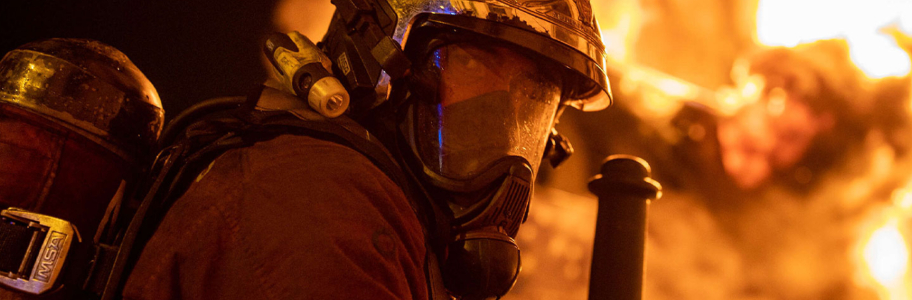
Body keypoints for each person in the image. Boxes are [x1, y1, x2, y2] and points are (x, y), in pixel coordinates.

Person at [121, 0, 611, 300]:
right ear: (374, 53)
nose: (501, 114)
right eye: (479, 68)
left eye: (531, 97)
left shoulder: (390, 209)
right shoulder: (319, 207)